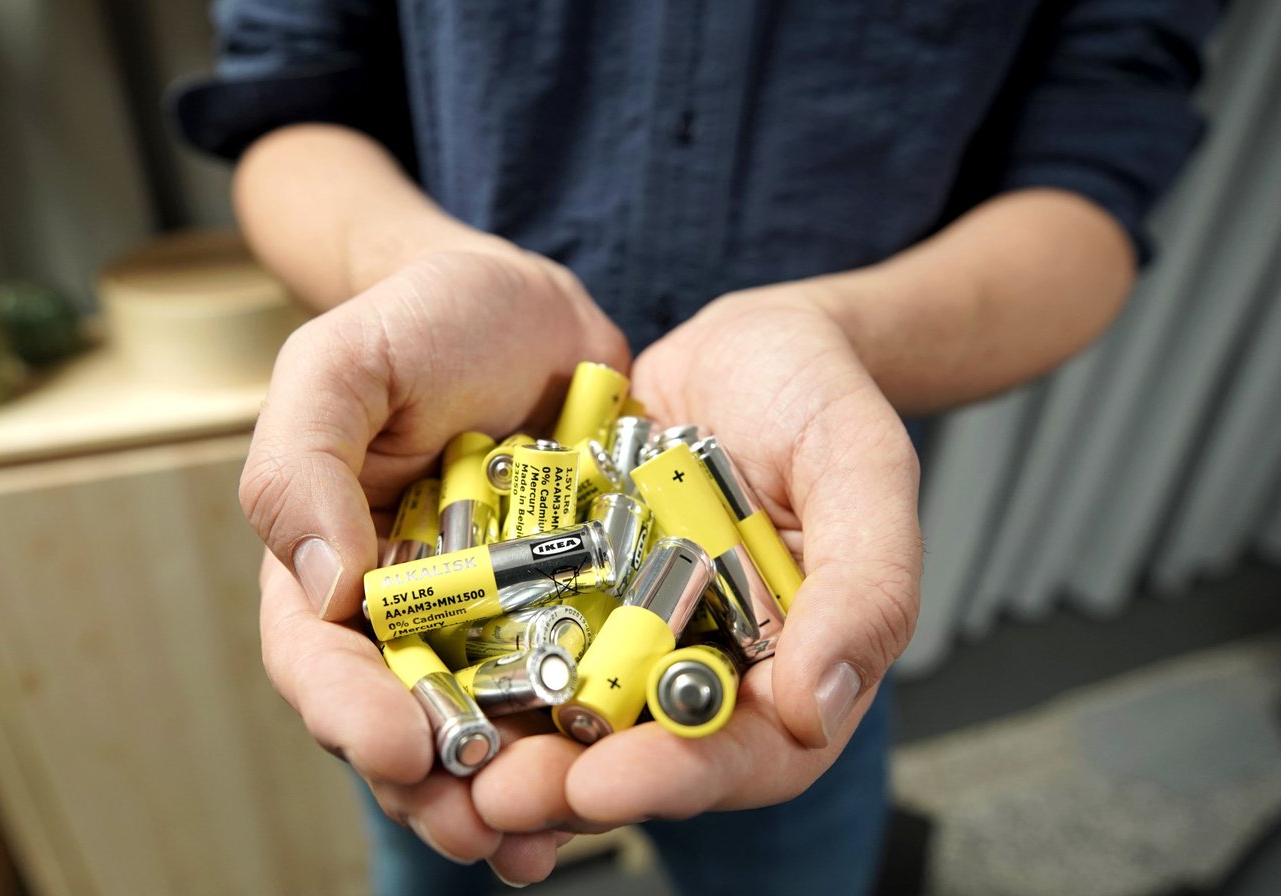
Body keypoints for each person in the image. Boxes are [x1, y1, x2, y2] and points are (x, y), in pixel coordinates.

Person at [173, 1, 1214, 892]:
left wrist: (834, 328)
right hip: (483, 547)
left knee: (794, 819)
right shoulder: (528, 564)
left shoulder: (704, 575)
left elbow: (1092, 183)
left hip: (808, 548)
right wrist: (428, 272)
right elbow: (291, 110)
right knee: (435, 822)